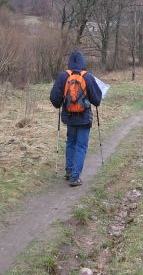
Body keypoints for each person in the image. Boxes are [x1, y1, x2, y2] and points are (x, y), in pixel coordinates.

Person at [50, 50, 102, 187]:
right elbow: (97, 100)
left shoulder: (63, 76)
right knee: (81, 146)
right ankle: (75, 177)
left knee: (71, 142)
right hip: (84, 119)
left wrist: (62, 103)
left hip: (69, 117)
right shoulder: (88, 77)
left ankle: (69, 170)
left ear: (69, 62)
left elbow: (54, 99)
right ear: (83, 62)